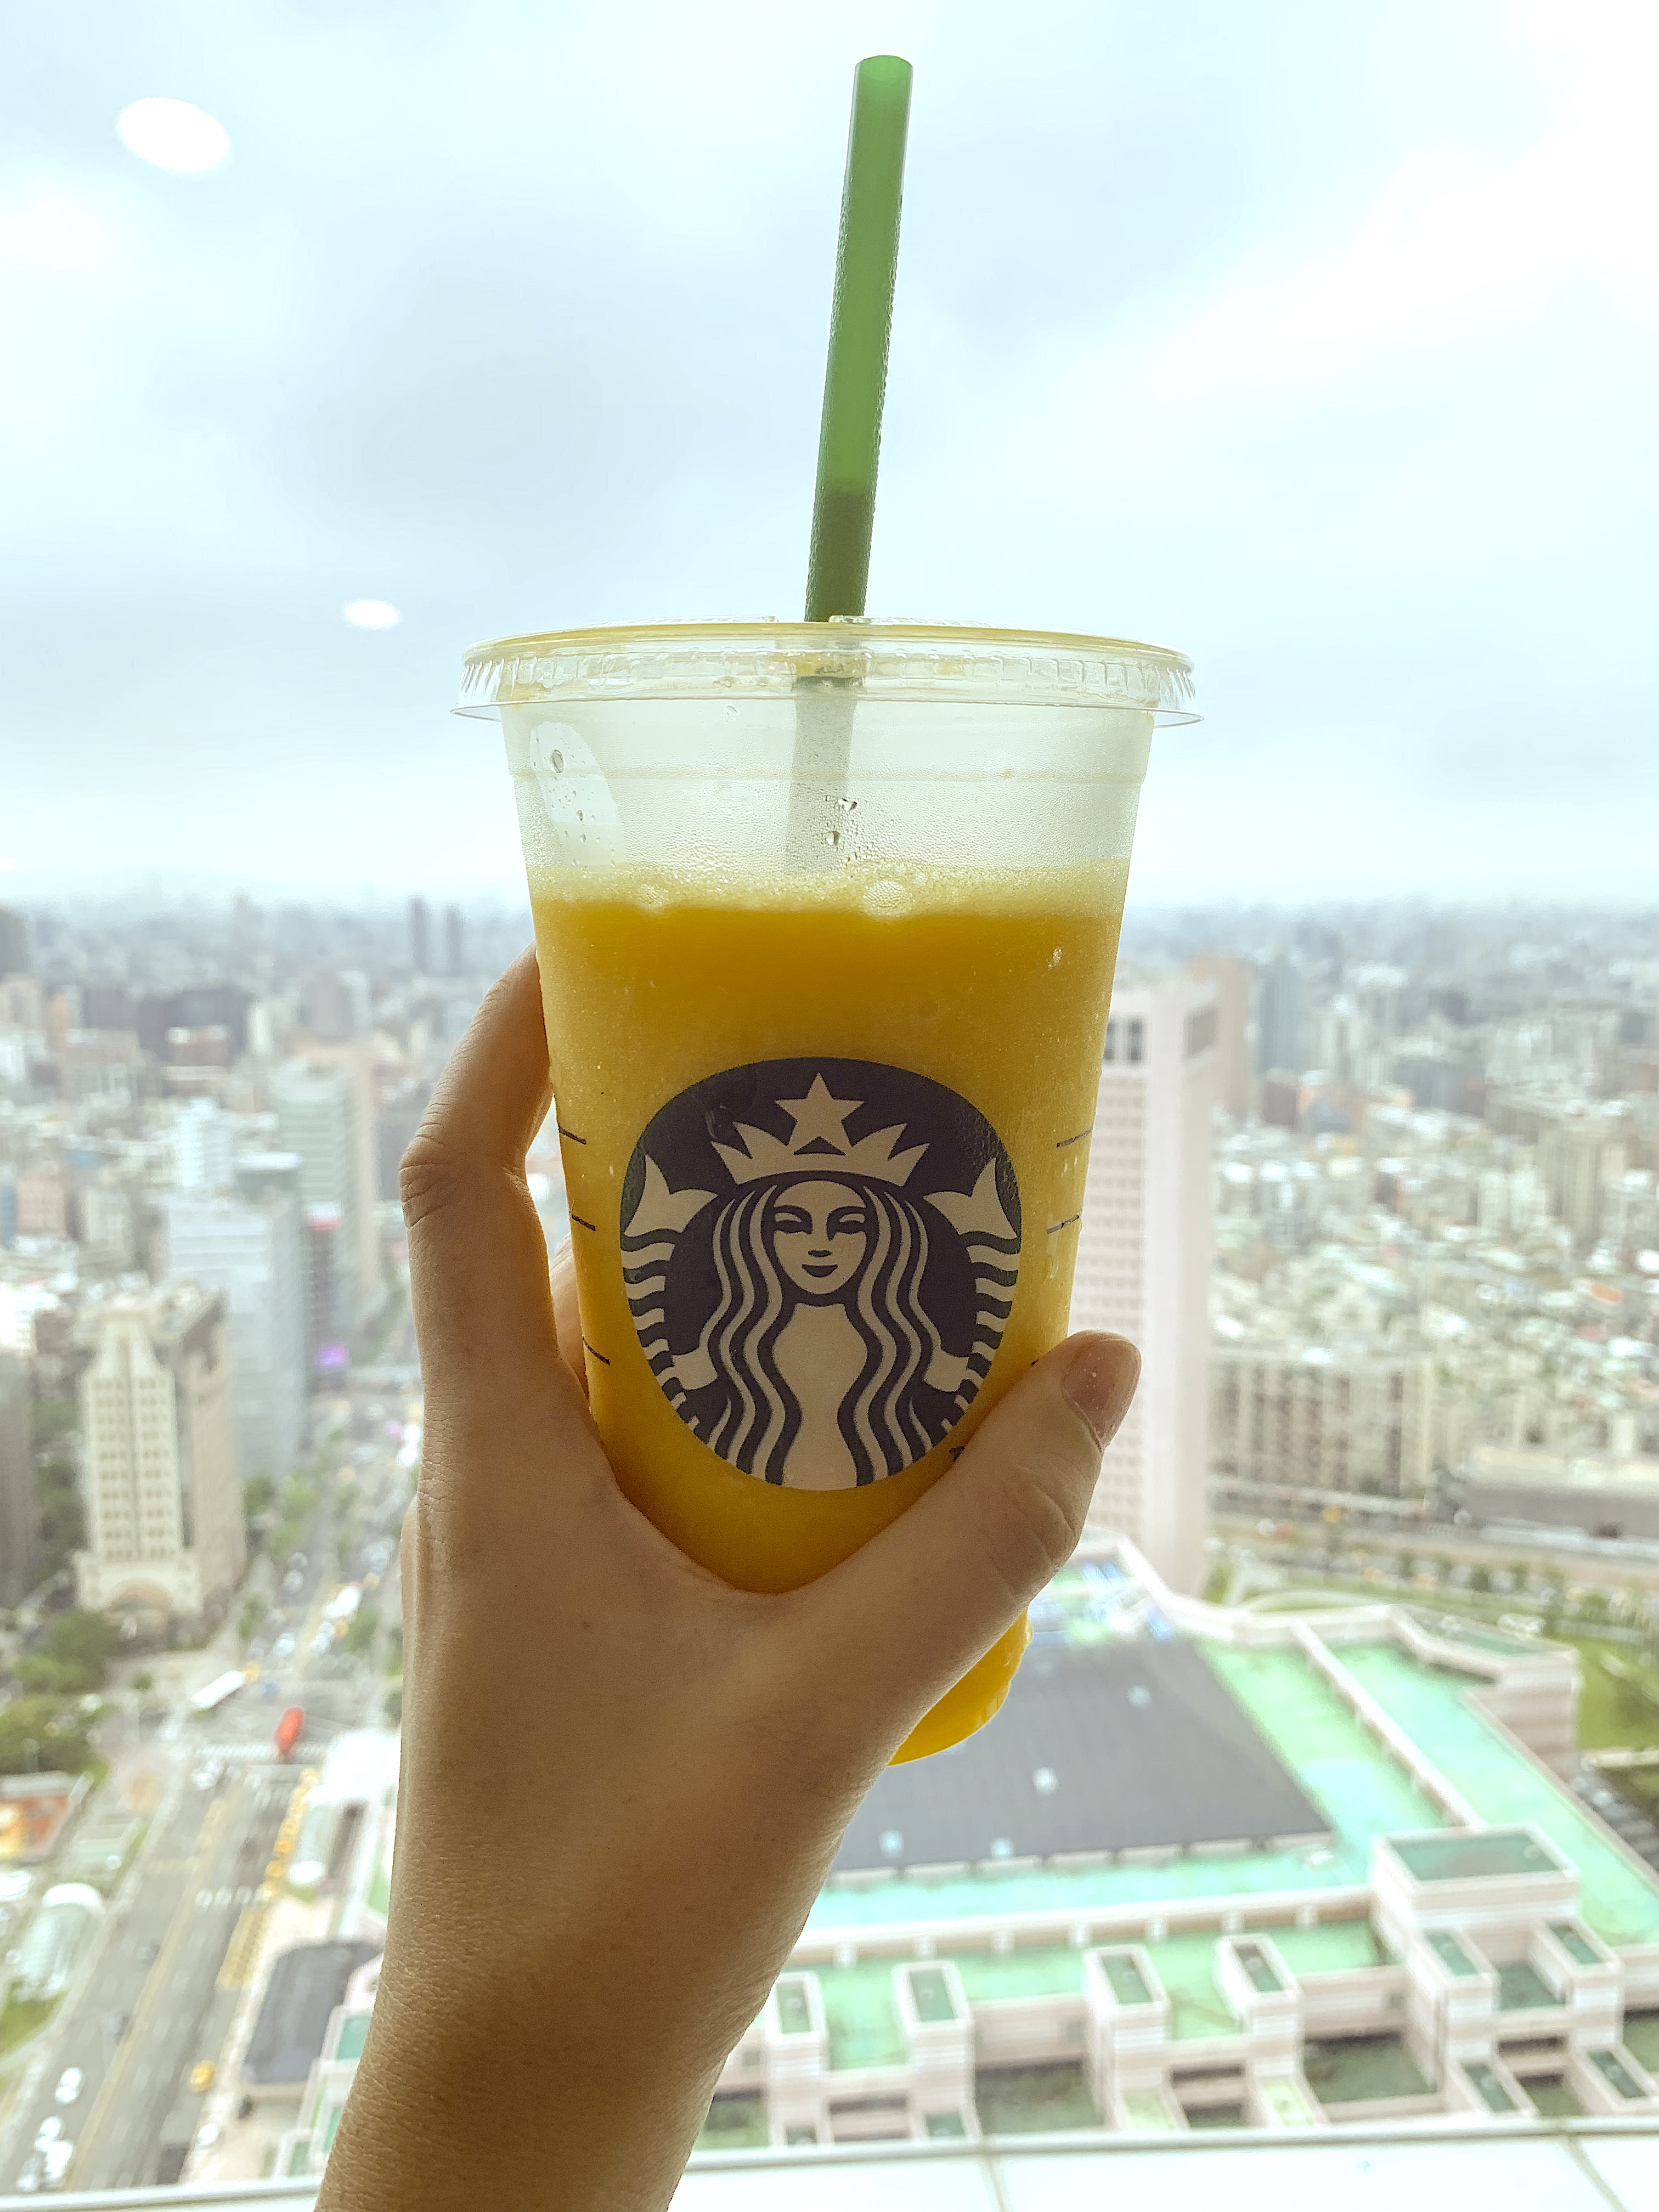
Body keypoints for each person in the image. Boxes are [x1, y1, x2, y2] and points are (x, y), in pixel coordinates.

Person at [317, 950, 1139, 2211]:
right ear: (749, 1232)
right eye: (792, 1221)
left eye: (849, 1222)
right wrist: (538, 2048)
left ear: (893, 1232)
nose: (820, 1244)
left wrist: (509, 2081)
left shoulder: (886, 1347)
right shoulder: (741, 1359)